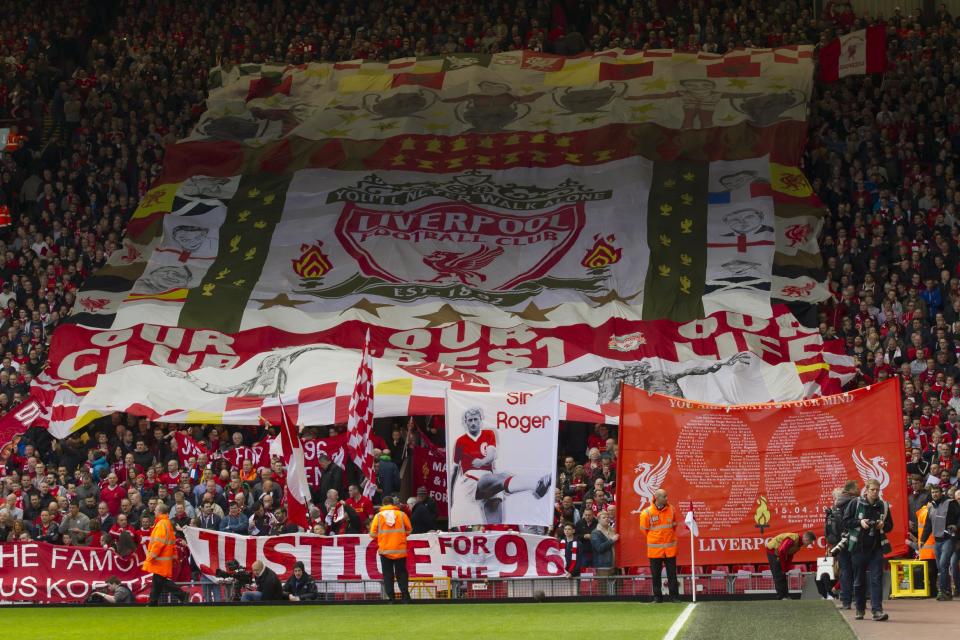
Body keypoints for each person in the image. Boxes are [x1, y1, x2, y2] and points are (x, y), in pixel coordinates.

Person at [449, 406, 551, 524]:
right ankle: (536, 484)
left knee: (495, 523)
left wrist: (482, 461)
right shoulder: (460, 441)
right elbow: (454, 470)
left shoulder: (489, 433)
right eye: (470, 420)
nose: (473, 423)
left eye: (475, 419)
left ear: (480, 420)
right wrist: (450, 496)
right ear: (465, 422)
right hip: (471, 481)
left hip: (491, 479)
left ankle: (537, 487)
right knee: (500, 476)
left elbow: (492, 454)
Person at [842, 479, 893, 621]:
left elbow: (890, 526)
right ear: (866, 489)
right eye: (873, 490)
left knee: (876, 579)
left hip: (876, 548)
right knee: (859, 580)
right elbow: (845, 522)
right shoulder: (855, 503)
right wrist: (860, 522)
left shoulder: (883, 506)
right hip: (858, 548)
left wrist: (883, 524)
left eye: (877, 490)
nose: (875, 492)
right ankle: (860, 609)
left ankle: (877, 611)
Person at [369, 495, 412, 603]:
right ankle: (405, 597)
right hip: (399, 549)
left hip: (385, 550)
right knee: (401, 574)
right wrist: (400, 536)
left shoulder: (378, 516)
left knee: (388, 575)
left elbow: (373, 533)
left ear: (383, 504)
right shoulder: (402, 515)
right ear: (393, 503)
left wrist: (383, 538)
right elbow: (409, 530)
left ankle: (391, 598)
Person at [919, 484, 959, 600]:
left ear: (942, 493)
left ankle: (943, 591)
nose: (935, 494)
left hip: (949, 539)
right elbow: (927, 526)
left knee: (943, 564)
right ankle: (947, 592)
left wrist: (956, 526)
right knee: (940, 566)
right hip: (937, 541)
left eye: (937, 492)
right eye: (933, 492)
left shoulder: (951, 503)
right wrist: (922, 540)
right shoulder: (931, 507)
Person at [142, 503, 187, 606]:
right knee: (157, 581)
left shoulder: (161, 524)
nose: (154, 511)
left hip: (160, 559)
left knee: (160, 581)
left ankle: (182, 595)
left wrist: (150, 557)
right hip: (164, 559)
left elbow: (158, 543)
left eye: (156, 510)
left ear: (160, 512)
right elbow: (172, 542)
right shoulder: (167, 523)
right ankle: (153, 602)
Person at [638, 488, 678, 603]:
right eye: (664, 496)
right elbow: (644, 530)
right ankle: (657, 597)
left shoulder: (672, 509)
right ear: (657, 498)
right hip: (655, 550)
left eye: (666, 496)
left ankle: (674, 597)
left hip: (670, 549)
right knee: (656, 575)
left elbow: (674, 525)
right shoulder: (646, 513)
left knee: (672, 575)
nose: (667, 498)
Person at [830, 480, 859, 609]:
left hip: (840, 541)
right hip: (854, 540)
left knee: (845, 571)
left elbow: (834, 527)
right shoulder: (856, 503)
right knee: (858, 571)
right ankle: (858, 600)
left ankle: (846, 601)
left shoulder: (837, 506)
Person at [765, 530, 816, 600]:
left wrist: (786, 568)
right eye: (809, 542)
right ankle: (781, 596)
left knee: (782, 575)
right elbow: (782, 551)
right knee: (778, 575)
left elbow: (789, 556)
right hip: (773, 552)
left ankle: (785, 595)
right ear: (806, 539)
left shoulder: (799, 544)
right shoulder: (792, 539)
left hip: (778, 553)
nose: (808, 545)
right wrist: (783, 568)